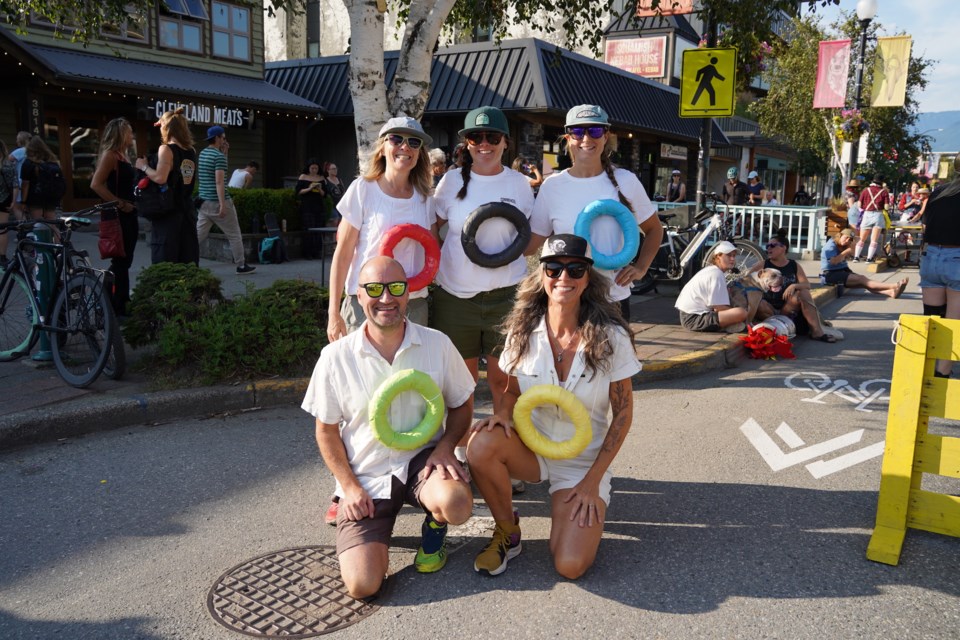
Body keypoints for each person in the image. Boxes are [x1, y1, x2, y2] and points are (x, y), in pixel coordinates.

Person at [467, 234, 639, 579]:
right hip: (533, 449)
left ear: (588, 278)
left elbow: (622, 413)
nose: (564, 278)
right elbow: (510, 391)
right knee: (481, 443)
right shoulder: (522, 332)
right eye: (554, 269)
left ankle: (576, 511)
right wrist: (501, 414)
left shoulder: (611, 338)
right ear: (541, 275)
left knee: (569, 565)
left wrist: (592, 482)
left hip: (582, 463)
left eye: (576, 269)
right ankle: (507, 531)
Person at [302, 256, 475, 598]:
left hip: (421, 463)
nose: (386, 298)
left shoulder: (436, 344)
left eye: (396, 287)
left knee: (457, 504)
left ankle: (435, 525)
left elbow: (462, 403)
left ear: (408, 292)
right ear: (358, 295)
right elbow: (326, 431)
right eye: (374, 289)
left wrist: (445, 448)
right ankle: (371, 535)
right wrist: (349, 487)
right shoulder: (336, 357)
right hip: (366, 475)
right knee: (363, 585)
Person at [431, 105, 535, 472]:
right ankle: (460, 454)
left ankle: (505, 452)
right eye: (476, 137)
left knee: (504, 376)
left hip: (506, 293)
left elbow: (530, 235)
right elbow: (430, 226)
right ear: (467, 143)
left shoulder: (519, 184)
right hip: (455, 294)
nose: (484, 144)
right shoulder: (451, 182)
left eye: (493, 137)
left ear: (505, 142)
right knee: (461, 382)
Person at [530, 104, 662, 321]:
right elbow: (532, 242)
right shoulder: (552, 186)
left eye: (595, 131)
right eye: (578, 131)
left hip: (612, 298)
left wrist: (641, 267)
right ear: (568, 137)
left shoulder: (626, 181)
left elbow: (654, 229)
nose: (586, 139)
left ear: (606, 136)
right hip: (566, 299)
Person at [327, 116, 435, 342]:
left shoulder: (425, 198)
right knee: (361, 373)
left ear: (420, 153)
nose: (405, 147)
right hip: (367, 301)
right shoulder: (363, 189)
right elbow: (343, 253)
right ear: (383, 147)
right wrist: (333, 312)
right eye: (396, 139)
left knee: (410, 373)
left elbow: (433, 249)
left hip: (413, 303)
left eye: (414, 142)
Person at [135, 107, 199, 265]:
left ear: (166, 128)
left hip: (168, 213)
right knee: (187, 261)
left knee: (165, 262)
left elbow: (160, 177)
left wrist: (143, 166)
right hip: (187, 213)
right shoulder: (191, 151)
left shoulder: (166, 149)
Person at [90, 117, 140, 316]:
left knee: (125, 260)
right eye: (129, 131)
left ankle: (116, 300)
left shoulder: (123, 156)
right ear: (120, 133)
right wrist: (118, 203)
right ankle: (113, 303)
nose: (132, 135)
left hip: (128, 212)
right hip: (118, 215)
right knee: (120, 259)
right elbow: (96, 184)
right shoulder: (110, 155)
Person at [918, 156, 960, 378]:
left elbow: (926, 225)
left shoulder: (939, 192)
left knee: (932, 318)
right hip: (957, 258)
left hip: (931, 255)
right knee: (954, 323)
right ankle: (941, 374)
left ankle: (925, 370)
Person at [751, 231, 835, 343]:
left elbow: (807, 285)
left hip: (787, 308)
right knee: (759, 302)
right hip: (766, 309)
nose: (768, 249)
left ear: (783, 248)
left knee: (804, 292)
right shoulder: (763, 265)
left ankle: (817, 332)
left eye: (772, 245)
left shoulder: (793, 265)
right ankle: (773, 328)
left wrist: (794, 285)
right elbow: (747, 281)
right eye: (767, 246)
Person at [196, 126, 255, 275]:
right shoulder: (218, 157)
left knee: (198, 234)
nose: (224, 140)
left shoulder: (203, 153)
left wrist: (225, 154)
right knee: (234, 234)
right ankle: (241, 265)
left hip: (203, 201)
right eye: (223, 137)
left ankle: (184, 259)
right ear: (216, 138)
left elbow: (215, 173)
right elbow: (220, 181)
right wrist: (223, 204)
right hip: (218, 201)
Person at [675, 241, 750, 333]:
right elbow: (718, 308)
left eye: (734, 256)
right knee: (741, 313)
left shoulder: (712, 271)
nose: (732, 259)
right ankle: (729, 326)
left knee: (737, 310)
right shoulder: (716, 274)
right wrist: (735, 315)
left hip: (692, 316)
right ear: (718, 257)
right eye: (728, 255)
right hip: (693, 319)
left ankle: (730, 325)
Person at [820, 228, 907, 298]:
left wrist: (853, 244)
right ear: (840, 235)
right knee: (863, 279)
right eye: (845, 237)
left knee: (864, 283)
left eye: (849, 239)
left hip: (842, 270)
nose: (847, 241)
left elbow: (853, 254)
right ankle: (894, 285)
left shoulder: (844, 245)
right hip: (831, 274)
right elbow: (833, 262)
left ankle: (890, 292)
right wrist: (846, 251)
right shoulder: (830, 246)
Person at [20, 136, 63, 220]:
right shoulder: (52, 161)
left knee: (37, 222)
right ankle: (56, 233)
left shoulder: (28, 163)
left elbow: (25, 184)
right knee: (51, 222)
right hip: (51, 197)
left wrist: (23, 202)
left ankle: (40, 233)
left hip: (35, 197)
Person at [854, 173, 892, 263]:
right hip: (878, 215)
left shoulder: (865, 190)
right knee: (874, 240)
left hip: (867, 214)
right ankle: (869, 259)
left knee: (862, 238)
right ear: (882, 182)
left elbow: (859, 204)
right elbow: (886, 207)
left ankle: (856, 257)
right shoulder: (884, 192)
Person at [297, 158, 327, 259]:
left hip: (318, 206)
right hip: (307, 206)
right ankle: (307, 252)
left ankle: (317, 251)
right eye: (312, 168)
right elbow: (298, 192)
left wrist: (319, 189)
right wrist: (310, 188)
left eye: (316, 168)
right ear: (308, 168)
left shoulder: (321, 178)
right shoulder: (303, 177)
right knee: (308, 229)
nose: (314, 170)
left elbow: (325, 194)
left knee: (318, 229)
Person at [0, 140, 17, 268]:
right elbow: (15, 185)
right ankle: (2, 257)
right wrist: (13, 201)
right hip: (4, 199)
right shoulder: (8, 165)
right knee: (2, 230)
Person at [8, 131, 31, 220]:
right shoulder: (32, 151)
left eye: (17, 138)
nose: (16, 140)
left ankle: (24, 228)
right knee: (28, 208)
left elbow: (6, 160)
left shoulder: (20, 151)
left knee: (17, 207)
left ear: (21, 140)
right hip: (31, 182)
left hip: (20, 182)